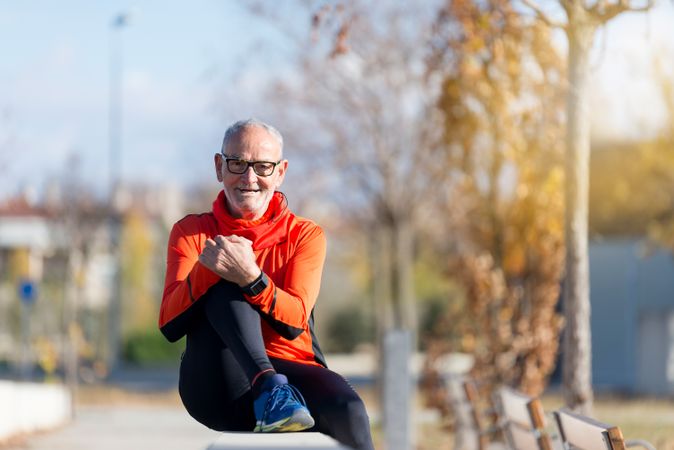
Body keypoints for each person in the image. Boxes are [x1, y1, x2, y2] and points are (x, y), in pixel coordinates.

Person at [158, 119, 374, 450]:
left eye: (262, 166)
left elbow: (294, 323)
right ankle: (268, 386)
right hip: (219, 381)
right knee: (223, 275)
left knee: (351, 410)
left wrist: (253, 278)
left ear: (280, 172)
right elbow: (170, 325)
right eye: (238, 164)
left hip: (294, 376)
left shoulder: (305, 235)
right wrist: (209, 270)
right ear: (219, 167)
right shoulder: (192, 232)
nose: (249, 178)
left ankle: (276, 392)